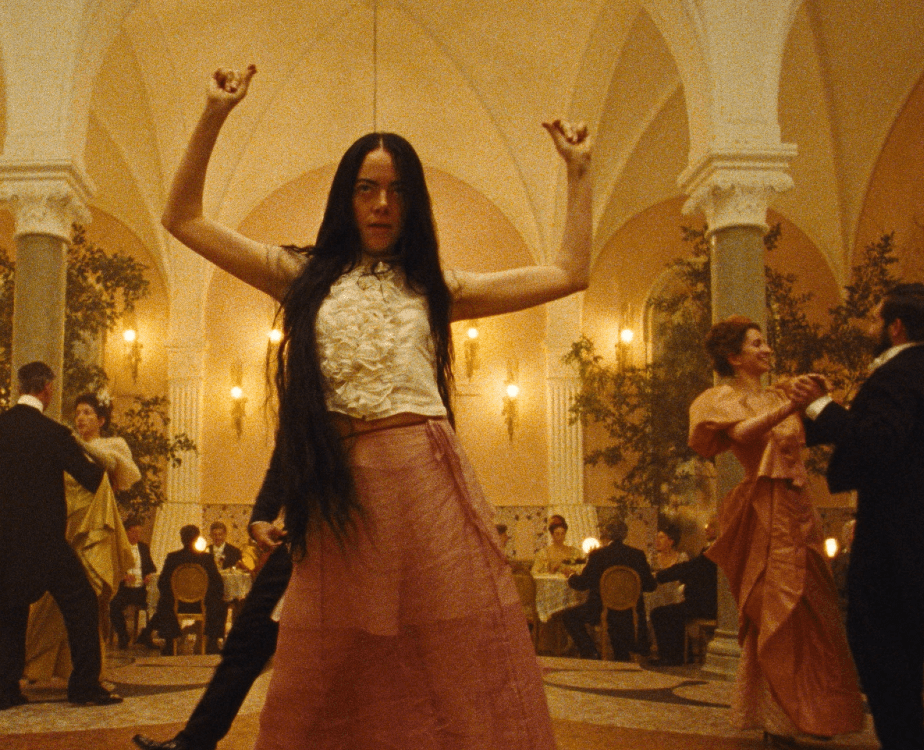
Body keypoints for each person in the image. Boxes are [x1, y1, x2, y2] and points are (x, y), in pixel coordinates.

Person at [161, 64, 592, 748]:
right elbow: (182, 218)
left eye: (396, 191)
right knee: (329, 656)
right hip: (340, 486)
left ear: (412, 202)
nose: (382, 204)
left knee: (441, 646)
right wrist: (213, 114)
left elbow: (571, 272)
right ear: (347, 198)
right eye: (368, 189)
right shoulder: (301, 274)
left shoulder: (435, 287)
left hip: (424, 475)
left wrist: (578, 175)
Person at [796, 283, 924, 749]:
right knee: (895, 650)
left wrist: (816, 404)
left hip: (901, 535)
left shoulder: (901, 374)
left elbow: (874, 443)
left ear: (895, 327)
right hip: (915, 528)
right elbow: (875, 433)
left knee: (881, 648)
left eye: (875, 318)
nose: (869, 326)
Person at [690, 317, 864, 745]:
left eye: (765, 342)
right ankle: (775, 718)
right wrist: (789, 407)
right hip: (763, 509)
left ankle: (812, 711)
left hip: (799, 507)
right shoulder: (722, 398)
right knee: (773, 609)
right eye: (756, 344)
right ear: (734, 357)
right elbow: (742, 434)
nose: (767, 349)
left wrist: (810, 393)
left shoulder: (775, 392)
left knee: (813, 607)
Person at [0, 361, 119, 709]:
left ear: (20, 386)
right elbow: (89, 476)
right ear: (47, 389)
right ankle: (84, 686)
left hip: (3, 539)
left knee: (10, 612)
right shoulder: (54, 434)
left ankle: (5, 690)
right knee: (81, 603)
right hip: (44, 541)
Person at [135, 459, 291, 750]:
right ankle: (195, 741)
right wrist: (259, 518)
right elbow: (282, 462)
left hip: (361, 536)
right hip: (298, 541)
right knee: (245, 642)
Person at [23, 391, 140, 682]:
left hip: (96, 528)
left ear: (101, 419)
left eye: (88, 413)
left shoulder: (112, 444)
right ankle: (40, 664)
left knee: (87, 599)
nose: (81, 418)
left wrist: (75, 442)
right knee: (51, 598)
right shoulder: (66, 449)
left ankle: (85, 671)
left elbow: (116, 468)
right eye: (78, 413)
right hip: (66, 525)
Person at [561, 518, 654, 661]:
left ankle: (590, 652)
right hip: (631, 612)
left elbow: (582, 584)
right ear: (625, 535)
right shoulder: (638, 555)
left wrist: (571, 575)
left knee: (569, 615)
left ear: (607, 535)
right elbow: (650, 586)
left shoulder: (598, 555)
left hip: (601, 610)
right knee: (619, 619)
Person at [649, 521, 719, 666]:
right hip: (704, 601)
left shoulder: (715, 550)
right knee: (671, 612)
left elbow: (690, 568)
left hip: (705, 605)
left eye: (710, 527)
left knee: (659, 613)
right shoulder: (713, 549)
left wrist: (660, 576)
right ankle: (682, 655)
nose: (706, 529)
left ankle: (670, 657)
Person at [150, 525, 226, 656]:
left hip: (177, 605)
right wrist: (202, 596)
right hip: (202, 605)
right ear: (197, 539)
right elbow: (218, 585)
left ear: (181, 539)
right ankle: (212, 643)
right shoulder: (206, 559)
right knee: (220, 603)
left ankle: (169, 643)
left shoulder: (173, 558)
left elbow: (162, 583)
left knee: (164, 602)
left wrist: (177, 595)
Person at [112, 519, 156, 649]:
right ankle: (123, 635)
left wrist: (149, 575)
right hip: (124, 590)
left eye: (138, 532)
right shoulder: (119, 548)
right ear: (126, 532)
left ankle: (146, 635)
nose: (136, 535)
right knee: (114, 606)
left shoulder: (143, 548)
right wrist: (123, 576)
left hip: (140, 589)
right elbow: (113, 568)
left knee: (155, 605)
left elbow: (152, 568)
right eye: (133, 532)